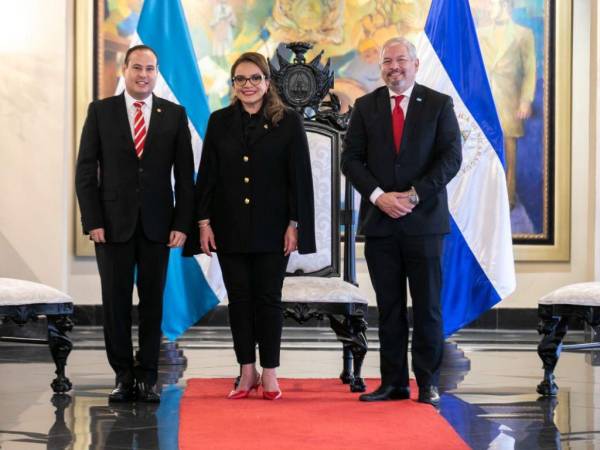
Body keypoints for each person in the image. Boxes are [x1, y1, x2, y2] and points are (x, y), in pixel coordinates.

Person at [186, 52, 315, 400]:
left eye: (255, 78)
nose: (248, 85)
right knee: (239, 300)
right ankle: (246, 370)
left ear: (267, 82)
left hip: (274, 229)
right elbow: (208, 177)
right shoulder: (219, 121)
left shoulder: (287, 121)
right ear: (233, 84)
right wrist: (203, 223)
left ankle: (270, 372)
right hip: (228, 227)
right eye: (240, 79)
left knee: (268, 299)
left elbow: (298, 178)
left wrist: (295, 224)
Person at [341, 37, 462, 407]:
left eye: (401, 60)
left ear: (415, 64)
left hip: (424, 222)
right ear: (381, 68)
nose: (394, 67)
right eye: (387, 61)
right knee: (389, 308)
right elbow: (351, 161)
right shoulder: (365, 106)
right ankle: (393, 382)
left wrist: (414, 194)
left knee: (427, 307)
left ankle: (427, 382)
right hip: (381, 224)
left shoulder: (439, 105)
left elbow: (451, 158)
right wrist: (379, 196)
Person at [75, 45, 195, 403]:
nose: (144, 74)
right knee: (114, 303)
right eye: (137, 68)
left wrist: (182, 223)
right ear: (124, 69)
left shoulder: (174, 115)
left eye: (150, 69)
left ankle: (147, 376)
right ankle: (123, 376)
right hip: (111, 226)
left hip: (159, 226)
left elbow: (185, 177)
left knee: (153, 303)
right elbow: (85, 172)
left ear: (156, 72)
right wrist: (92, 220)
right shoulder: (101, 112)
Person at [477, 0, 536, 209]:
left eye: (491, 3)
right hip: (485, 103)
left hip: (510, 103)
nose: (487, 7)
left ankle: (508, 199)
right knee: (483, 152)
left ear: (505, 6)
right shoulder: (481, 33)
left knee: (510, 155)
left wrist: (525, 100)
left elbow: (530, 71)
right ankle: (486, 200)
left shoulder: (523, 34)